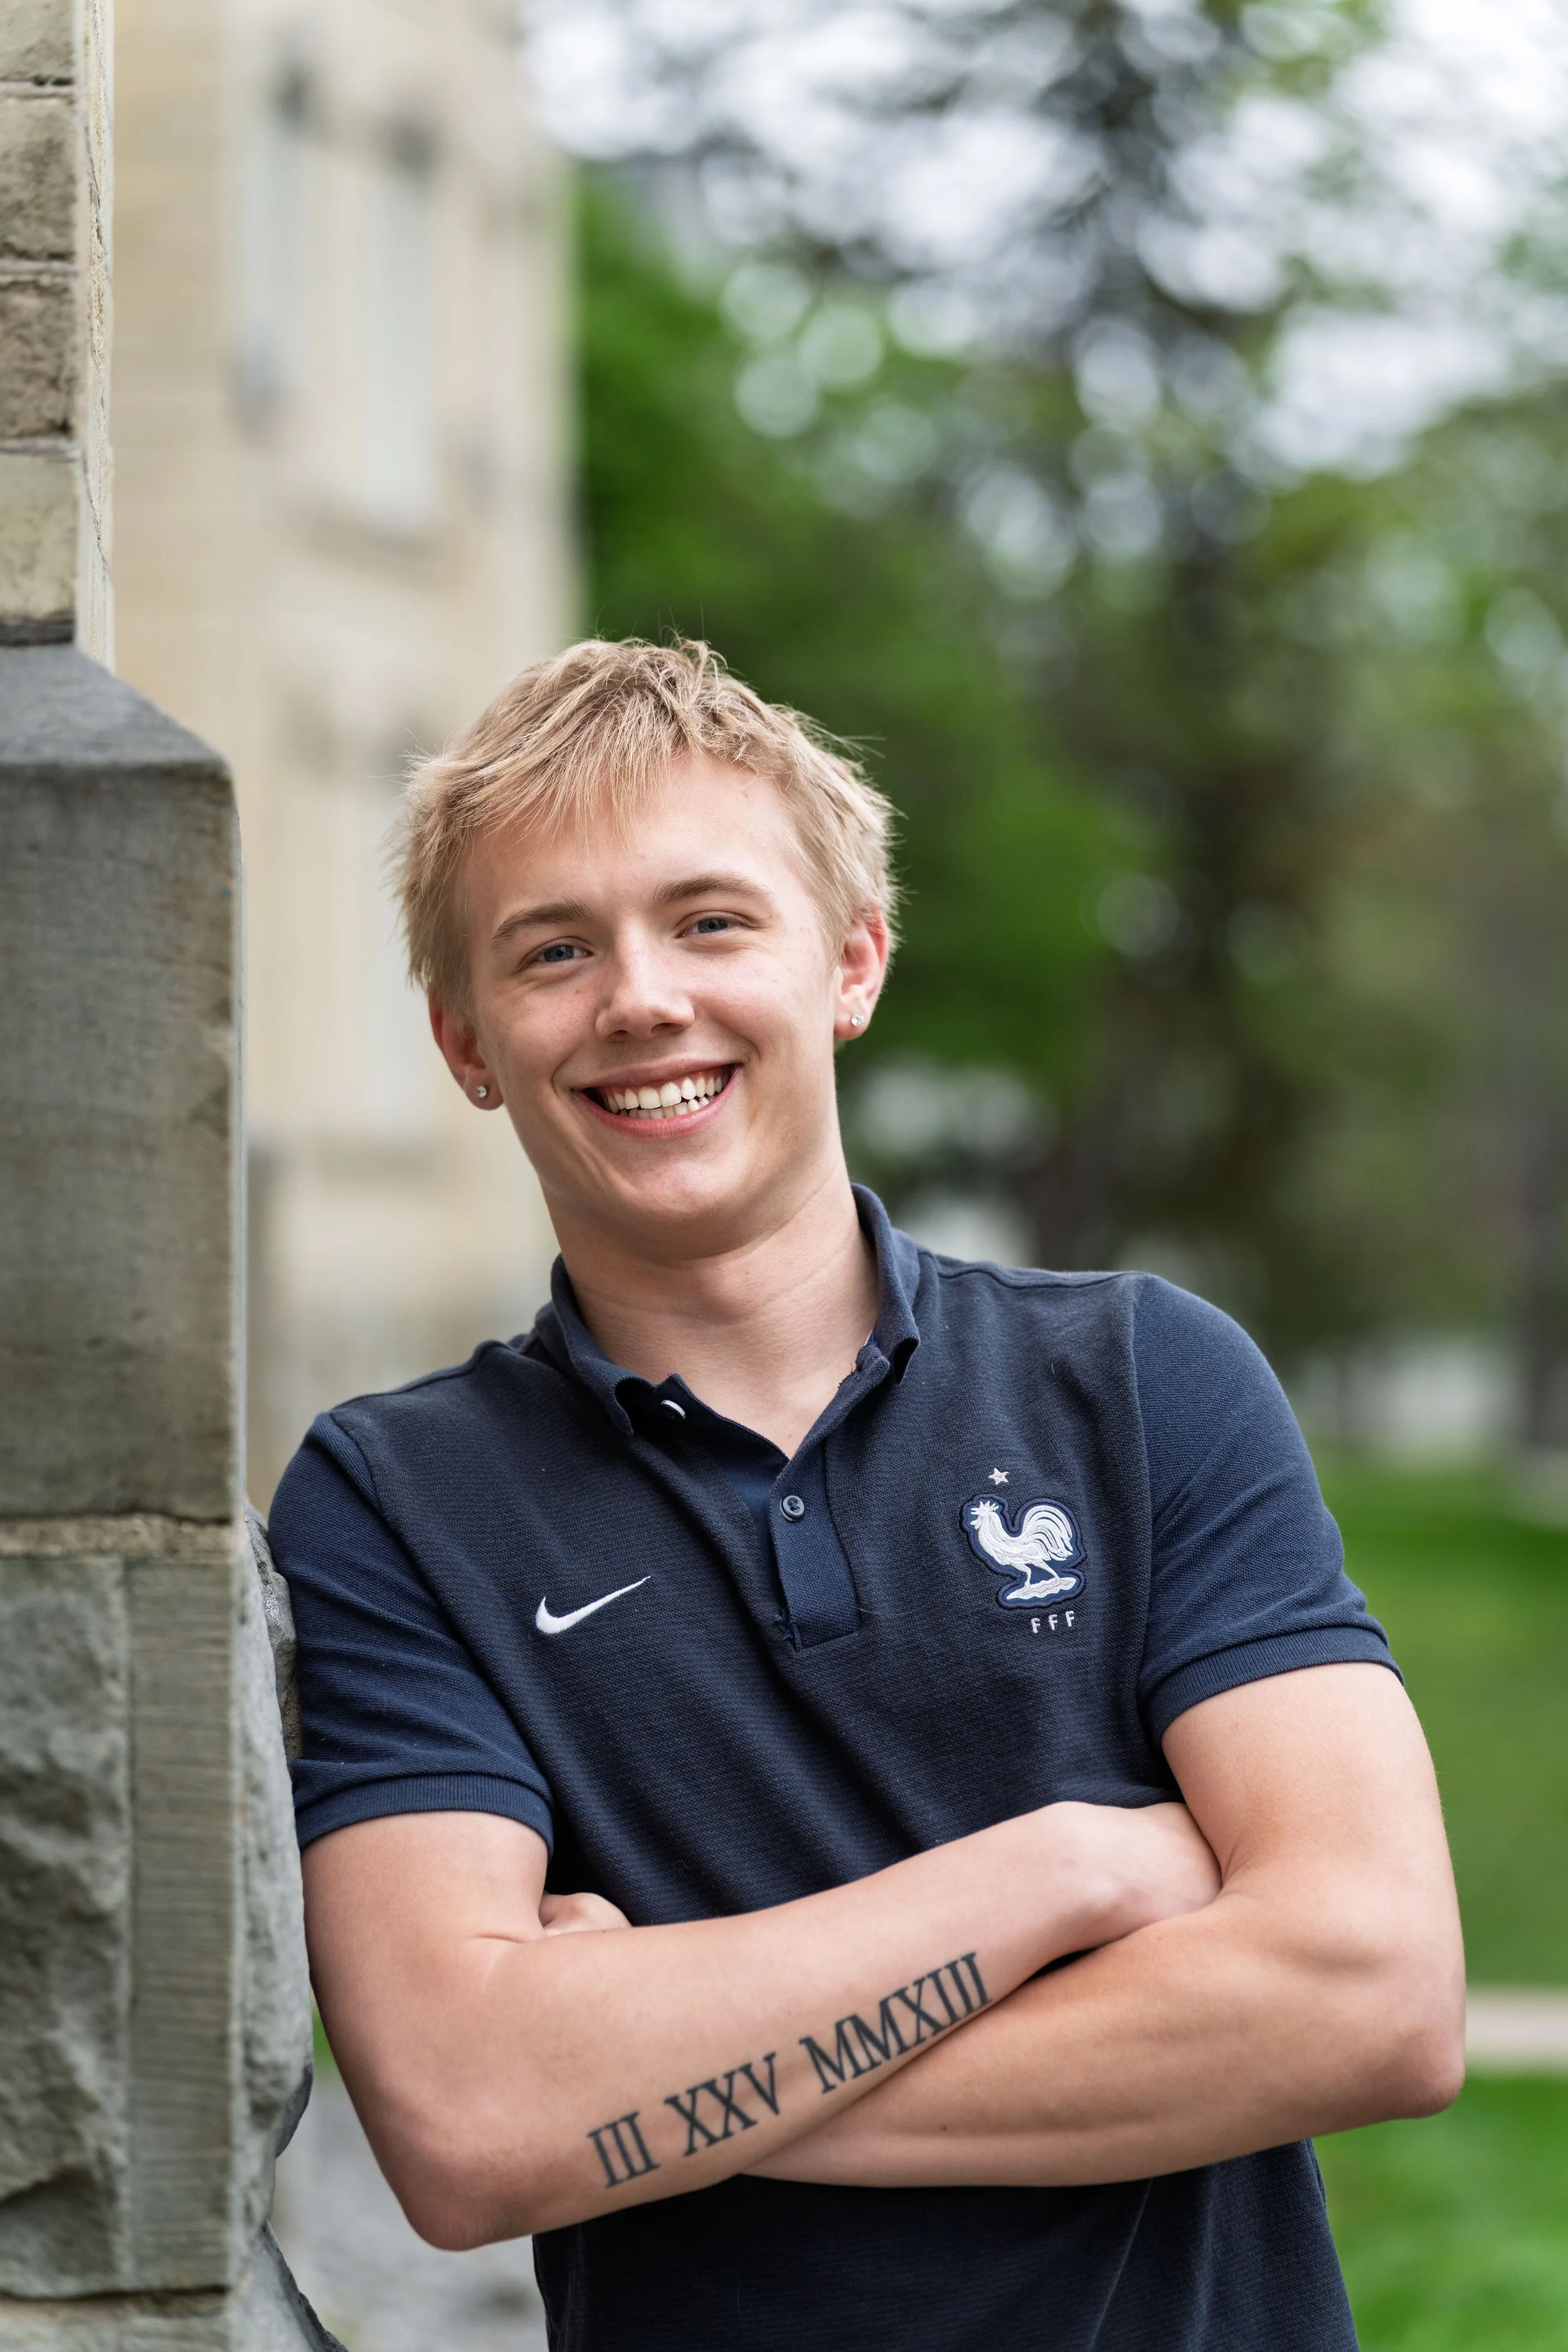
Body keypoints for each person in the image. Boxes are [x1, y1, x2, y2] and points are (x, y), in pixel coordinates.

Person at [270, 638, 1465, 2352]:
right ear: (466, 1041)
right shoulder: (391, 1500)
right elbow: (469, 2122)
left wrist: (643, 2077)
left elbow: (1375, 1991)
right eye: (554, 949)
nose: (639, 998)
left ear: (851, 959)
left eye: (709, 920)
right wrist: (1065, 1868)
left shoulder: (1142, 1380)